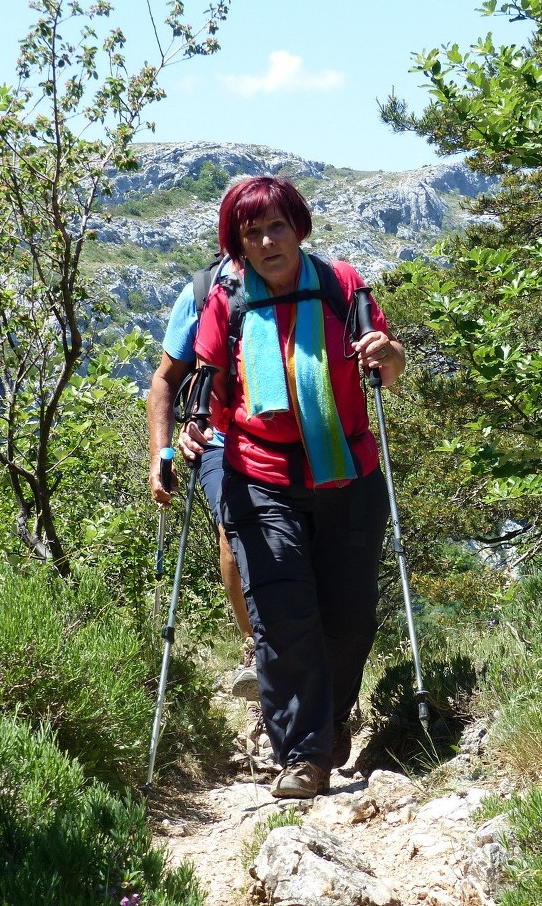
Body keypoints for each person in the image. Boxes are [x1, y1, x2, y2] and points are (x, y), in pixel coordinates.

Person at [180, 176, 406, 799]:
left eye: (277, 226)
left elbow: (387, 363)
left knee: (349, 618)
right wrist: (194, 428)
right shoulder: (226, 302)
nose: (267, 240)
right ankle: (302, 757)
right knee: (282, 616)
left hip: (348, 472)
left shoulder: (342, 285)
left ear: (298, 227)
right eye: (252, 233)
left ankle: (332, 726)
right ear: (238, 245)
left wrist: (387, 354)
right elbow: (208, 379)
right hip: (260, 475)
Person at [147, 258, 261, 713]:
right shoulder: (201, 292)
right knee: (234, 534)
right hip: (218, 437)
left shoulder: (309, 283)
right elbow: (165, 380)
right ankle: (255, 644)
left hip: (298, 437)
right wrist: (161, 453)